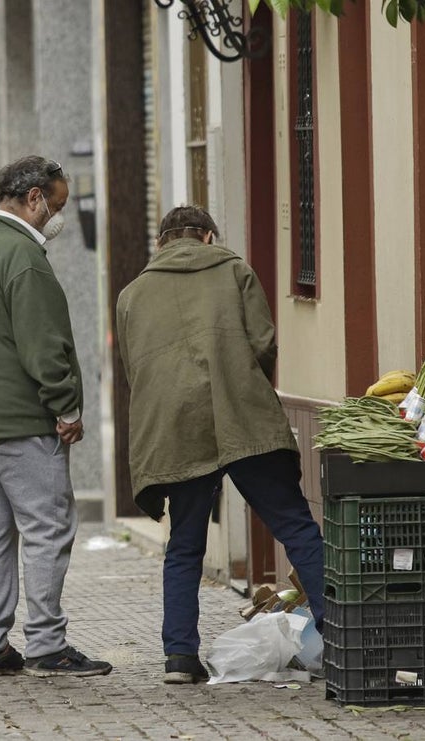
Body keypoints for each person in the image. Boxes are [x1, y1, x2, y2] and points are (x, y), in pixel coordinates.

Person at [115, 205, 326, 685]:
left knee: (184, 545)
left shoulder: (132, 294)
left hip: (176, 427)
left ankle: (179, 659)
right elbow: (264, 344)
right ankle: (343, 637)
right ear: (208, 236)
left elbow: (135, 369)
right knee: (295, 527)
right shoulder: (235, 272)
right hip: (242, 417)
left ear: (162, 243)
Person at [0, 155, 111, 679]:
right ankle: (47, 645)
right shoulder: (24, 258)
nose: (57, 217)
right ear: (33, 198)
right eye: (55, 205)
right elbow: (44, 347)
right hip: (19, 421)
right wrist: (67, 407)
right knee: (47, 527)